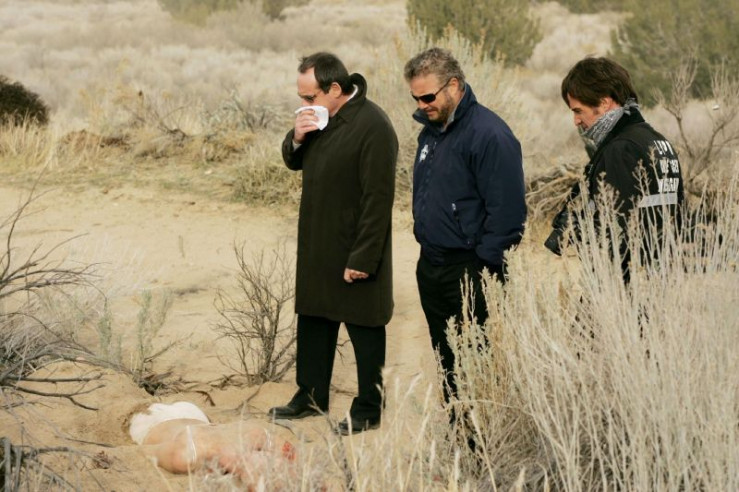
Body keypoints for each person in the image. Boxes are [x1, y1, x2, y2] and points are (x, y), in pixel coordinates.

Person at [269, 52, 397, 436]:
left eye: (310, 97)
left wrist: (363, 258)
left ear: (336, 88)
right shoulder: (319, 118)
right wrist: (297, 136)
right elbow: (294, 160)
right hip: (317, 241)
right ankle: (310, 396)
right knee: (314, 321)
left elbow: (378, 200)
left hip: (355, 246)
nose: (304, 104)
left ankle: (369, 409)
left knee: (366, 328)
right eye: (301, 97)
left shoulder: (374, 126)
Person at [403, 48, 526, 405]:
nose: (422, 105)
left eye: (428, 97)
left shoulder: (490, 134)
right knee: (446, 357)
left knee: (475, 359)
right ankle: (457, 424)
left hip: (470, 269)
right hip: (432, 265)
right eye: (416, 98)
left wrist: (484, 267)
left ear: (454, 85)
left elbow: (508, 214)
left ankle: (480, 429)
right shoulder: (430, 133)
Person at [545, 56, 684, 283]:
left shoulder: (621, 149)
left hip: (625, 284)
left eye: (578, 111)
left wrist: (579, 232)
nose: (576, 121)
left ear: (604, 103)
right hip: (661, 280)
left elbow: (615, 228)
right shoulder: (658, 141)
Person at [129, 402, 296, 487]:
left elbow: (294, 458)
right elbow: (140, 452)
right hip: (150, 420)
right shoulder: (187, 454)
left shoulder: (257, 434)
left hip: (193, 413)